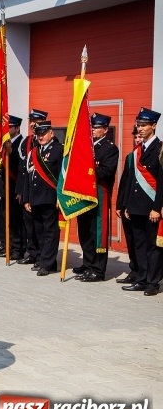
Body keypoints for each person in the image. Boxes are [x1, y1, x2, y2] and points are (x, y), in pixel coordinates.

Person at [117, 107, 162, 297]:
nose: (141, 129)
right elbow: (130, 182)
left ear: (154, 126)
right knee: (139, 245)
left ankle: (153, 282)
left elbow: (162, 182)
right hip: (135, 207)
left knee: (153, 247)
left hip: (151, 208)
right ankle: (141, 279)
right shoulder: (137, 152)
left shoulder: (160, 149)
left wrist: (157, 207)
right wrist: (126, 204)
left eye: (144, 125)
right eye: (139, 125)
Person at [73, 113, 119, 282]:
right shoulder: (86, 146)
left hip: (98, 195)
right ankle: (88, 263)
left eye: (96, 127)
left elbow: (107, 171)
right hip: (83, 194)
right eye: (91, 127)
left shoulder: (109, 148)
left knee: (96, 231)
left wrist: (86, 171)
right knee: (84, 231)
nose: (93, 130)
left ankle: (98, 270)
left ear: (105, 130)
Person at [24, 121, 63, 276]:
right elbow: (28, 176)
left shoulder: (58, 150)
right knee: (39, 231)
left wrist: (60, 197)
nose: (41, 137)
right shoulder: (34, 152)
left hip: (49, 197)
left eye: (43, 134)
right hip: (35, 197)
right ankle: (45, 259)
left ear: (51, 133)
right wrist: (27, 198)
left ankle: (47, 263)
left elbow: (62, 175)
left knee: (50, 232)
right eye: (38, 134)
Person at [15, 109, 48, 265]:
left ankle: (43, 255)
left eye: (36, 121)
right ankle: (33, 252)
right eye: (31, 121)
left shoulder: (47, 141)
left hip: (43, 192)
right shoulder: (26, 141)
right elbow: (23, 169)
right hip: (28, 190)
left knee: (41, 227)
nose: (33, 124)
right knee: (29, 224)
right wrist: (21, 190)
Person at [0, 116, 23, 258]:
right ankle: (4, 244)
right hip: (1, 187)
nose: (6, 130)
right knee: (2, 218)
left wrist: (11, 152)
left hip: (13, 188)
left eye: (9, 127)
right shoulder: (2, 144)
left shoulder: (20, 143)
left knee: (14, 220)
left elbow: (19, 168)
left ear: (17, 128)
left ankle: (16, 248)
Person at [115, 127, 142, 284]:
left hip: (143, 207)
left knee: (142, 243)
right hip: (128, 205)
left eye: (139, 136)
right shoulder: (131, 157)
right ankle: (134, 269)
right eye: (136, 136)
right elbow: (124, 182)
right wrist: (120, 205)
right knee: (131, 240)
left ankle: (144, 273)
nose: (137, 139)